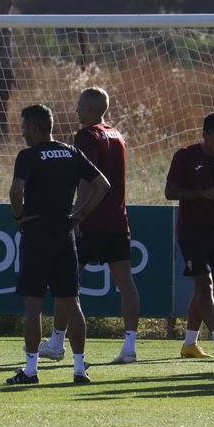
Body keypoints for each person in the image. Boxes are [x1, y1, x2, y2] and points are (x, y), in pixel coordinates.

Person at [6, 104, 110, 386]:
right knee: (72, 303)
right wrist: (81, 214)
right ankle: (79, 369)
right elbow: (103, 184)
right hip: (65, 236)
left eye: (25, 126)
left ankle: (30, 371)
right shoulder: (71, 152)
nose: (22, 131)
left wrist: (18, 216)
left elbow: (16, 190)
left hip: (37, 234)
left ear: (36, 128)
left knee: (33, 307)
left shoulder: (28, 156)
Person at [40, 87, 141, 364]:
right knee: (126, 282)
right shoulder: (117, 135)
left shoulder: (86, 136)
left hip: (91, 220)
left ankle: (57, 342)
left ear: (93, 110)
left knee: (66, 282)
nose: (76, 110)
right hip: (118, 220)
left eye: (80, 106)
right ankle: (130, 346)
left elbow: (86, 179)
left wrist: (78, 215)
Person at [164, 111, 214, 360]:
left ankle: (189, 344)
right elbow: (170, 192)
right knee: (204, 284)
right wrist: (203, 194)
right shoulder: (185, 156)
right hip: (190, 231)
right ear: (206, 135)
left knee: (202, 290)